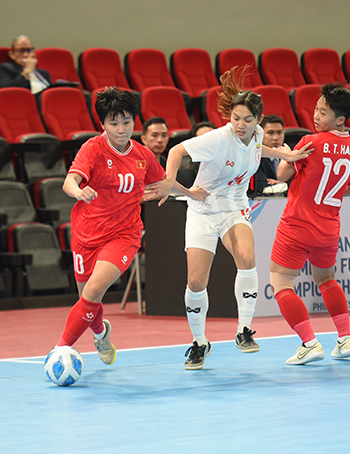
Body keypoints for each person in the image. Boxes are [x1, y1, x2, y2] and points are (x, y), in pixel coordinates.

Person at [143, 67, 311, 370]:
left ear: (258, 120)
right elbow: (177, 150)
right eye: (235, 118)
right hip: (203, 212)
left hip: (234, 207)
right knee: (196, 281)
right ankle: (199, 342)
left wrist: (288, 157)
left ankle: (244, 330)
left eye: (247, 119)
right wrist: (170, 180)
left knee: (247, 258)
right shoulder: (218, 139)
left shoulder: (257, 134)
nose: (241, 125)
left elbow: (261, 147)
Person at [51, 87, 166, 366]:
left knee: (92, 293)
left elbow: (161, 183)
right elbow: (69, 181)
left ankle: (59, 349)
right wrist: (77, 191)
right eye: (114, 123)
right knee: (87, 301)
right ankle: (102, 333)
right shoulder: (92, 148)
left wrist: (186, 192)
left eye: (126, 121)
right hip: (85, 233)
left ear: (134, 121)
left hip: (124, 235)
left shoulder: (143, 154)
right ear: (103, 123)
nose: (121, 128)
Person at [269, 83, 350, 365]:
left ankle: (309, 343)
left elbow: (283, 173)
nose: (315, 115)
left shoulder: (311, 142)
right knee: (326, 279)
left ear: (340, 119)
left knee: (281, 283)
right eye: (316, 109)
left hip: (297, 225)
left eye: (322, 112)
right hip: (328, 228)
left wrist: (287, 156)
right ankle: (345, 338)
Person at [253, 115, 289, 194]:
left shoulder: (290, 155)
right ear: (260, 134)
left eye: (279, 132)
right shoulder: (254, 158)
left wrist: (282, 185)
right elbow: (262, 186)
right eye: (270, 133)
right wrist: (287, 185)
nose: (275, 138)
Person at [177, 121, 215, 188]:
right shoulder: (186, 170)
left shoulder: (228, 162)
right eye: (201, 139)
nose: (206, 143)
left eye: (210, 138)